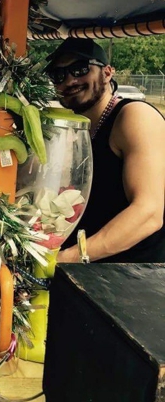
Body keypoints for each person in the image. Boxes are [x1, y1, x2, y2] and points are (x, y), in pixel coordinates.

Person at [45, 38, 165, 263]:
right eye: (58, 75)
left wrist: (67, 257)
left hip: (131, 278)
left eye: (79, 69)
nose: (70, 80)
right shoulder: (82, 128)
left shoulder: (134, 116)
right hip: (88, 272)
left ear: (108, 73)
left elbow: (148, 213)